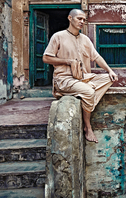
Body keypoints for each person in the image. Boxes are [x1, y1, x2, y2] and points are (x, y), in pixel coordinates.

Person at [42, 9, 118, 143]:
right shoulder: (58, 36)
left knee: (108, 78)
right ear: (70, 18)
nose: (82, 22)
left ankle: (83, 92)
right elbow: (46, 58)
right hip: (64, 79)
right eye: (79, 19)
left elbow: (97, 57)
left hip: (84, 77)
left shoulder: (85, 39)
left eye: (84, 19)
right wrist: (67, 61)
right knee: (89, 92)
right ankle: (87, 127)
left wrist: (110, 70)